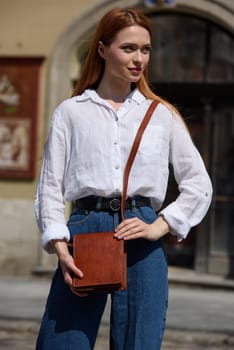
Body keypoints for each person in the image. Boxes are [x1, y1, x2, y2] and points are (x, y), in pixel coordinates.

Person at [34, 7, 212, 350]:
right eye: (128, 48)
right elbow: (50, 188)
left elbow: (199, 184)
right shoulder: (72, 112)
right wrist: (60, 245)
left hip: (142, 235)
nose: (139, 59)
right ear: (102, 50)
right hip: (86, 229)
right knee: (63, 341)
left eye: (145, 50)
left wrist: (160, 226)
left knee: (139, 342)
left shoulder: (161, 114)